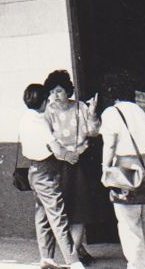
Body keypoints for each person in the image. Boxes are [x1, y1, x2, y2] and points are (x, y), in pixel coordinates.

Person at [99, 71, 145, 269]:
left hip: (126, 168)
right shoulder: (140, 110)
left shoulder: (111, 113)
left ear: (110, 92)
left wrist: (105, 169)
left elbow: (110, 145)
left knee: (130, 225)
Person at [19, 83, 87, 269]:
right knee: (58, 216)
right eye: (47, 99)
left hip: (33, 170)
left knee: (42, 214)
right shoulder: (40, 121)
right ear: (42, 101)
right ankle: (73, 261)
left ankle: (47, 257)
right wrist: (69, 156)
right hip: (46, 171)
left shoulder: (24, 118)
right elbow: (56, 149)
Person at [42, 69, 102, 264]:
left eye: (59, 91)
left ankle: (72, 256)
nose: (55, 96)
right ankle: (76, 253)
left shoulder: (81, 107)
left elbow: (93, 132)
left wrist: (92, 115)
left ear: (68, 90)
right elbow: (47, 137)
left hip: (80, 164)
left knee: (80, 211)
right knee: (62, 211)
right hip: (58, 164)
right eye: (52, 92)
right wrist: (65, 155)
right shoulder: (48, 111)